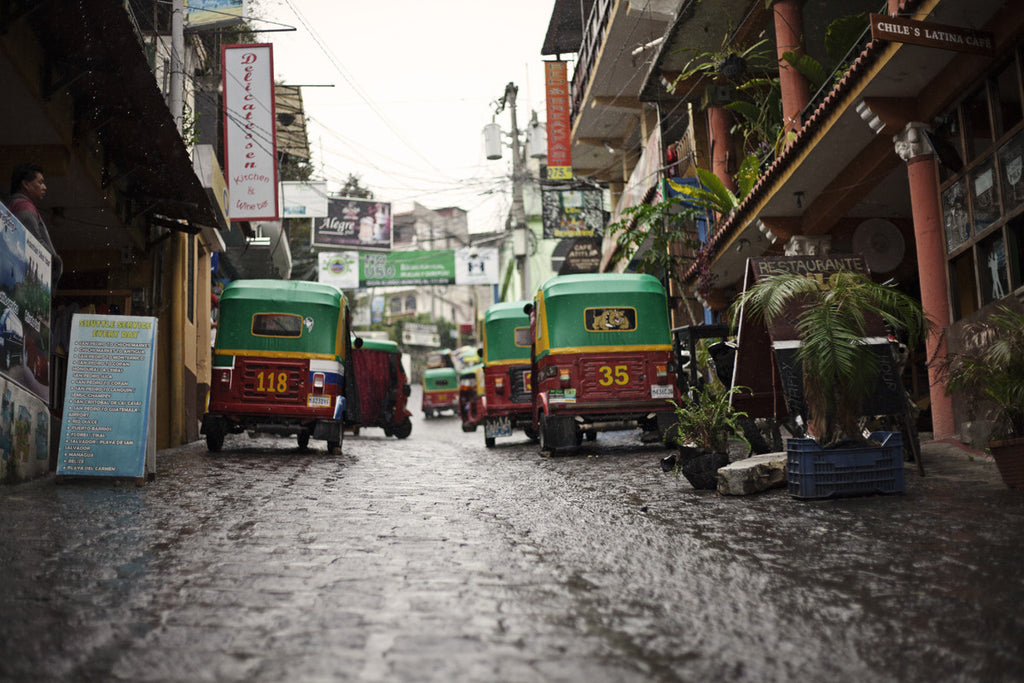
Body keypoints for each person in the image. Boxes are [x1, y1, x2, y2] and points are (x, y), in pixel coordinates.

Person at [7, 163, 62, 285]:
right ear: (26, 184)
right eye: (40, 182)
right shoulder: (24, 206)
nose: (45, 187)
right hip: (25, 279)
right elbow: (33, 241)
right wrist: (54, 261)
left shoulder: (16, 205)